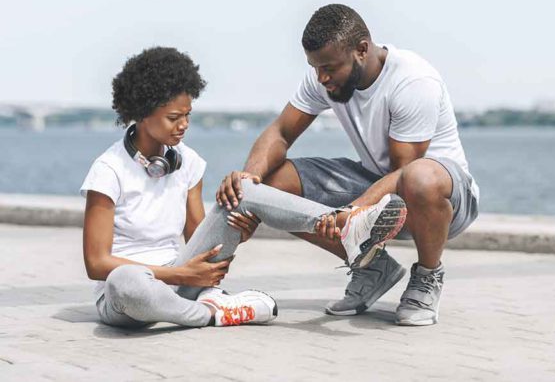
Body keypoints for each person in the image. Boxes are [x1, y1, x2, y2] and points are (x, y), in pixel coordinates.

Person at [81, 46, 406, 328]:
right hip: (132, 293)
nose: (184, 126)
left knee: (244, 187)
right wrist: (181, 277)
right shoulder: (108, 171)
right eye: (174, 117)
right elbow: (96, 264)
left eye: (188, 115)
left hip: (183, 274)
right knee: (126, 282)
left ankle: (341, 223)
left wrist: (240, 226)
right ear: (141, 113)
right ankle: (212, 313)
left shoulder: (188, 162)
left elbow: (199, 240)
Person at [216, 4, 479, 326]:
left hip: (440, 198)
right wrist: (250, 180)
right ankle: (372, 267)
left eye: (329, 67)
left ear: (361, 50)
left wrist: (351, 211)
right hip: (379, 182)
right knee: (271, 187)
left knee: (419, 176)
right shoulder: (324, 76)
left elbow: (403, 171)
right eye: (315, 68)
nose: (322, 77)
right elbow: (281, 132)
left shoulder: (412, 80)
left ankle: (427, 275)